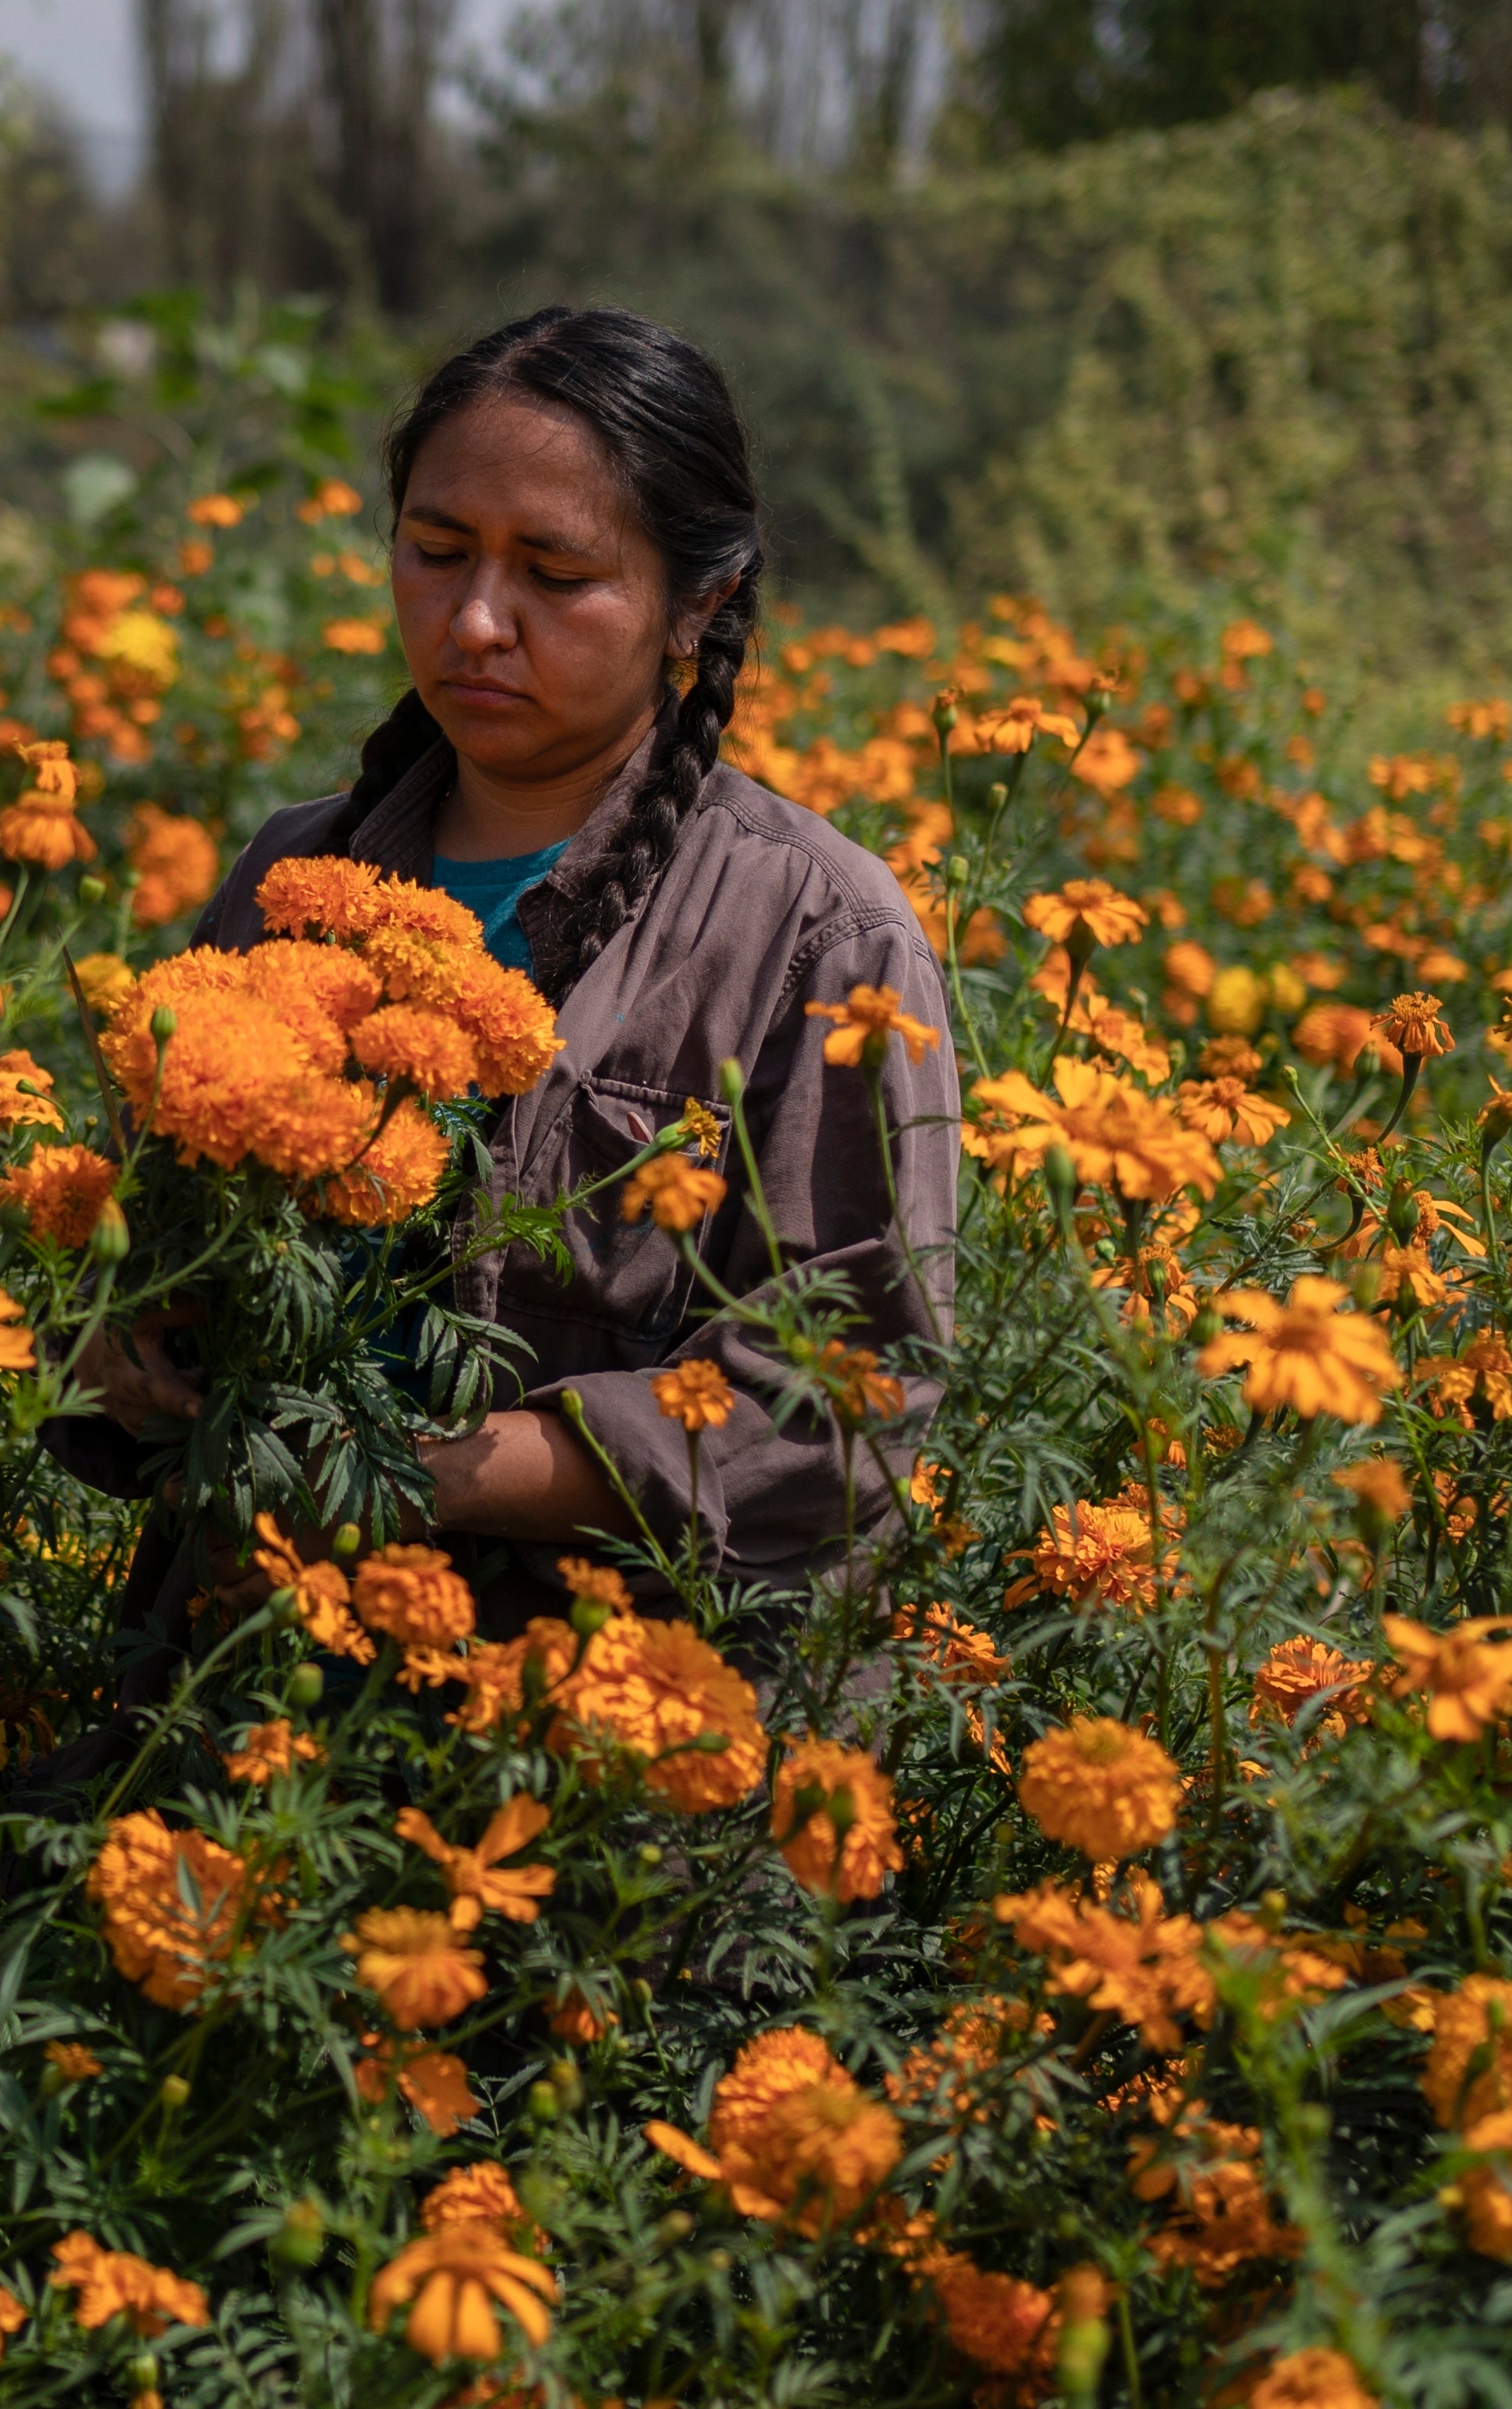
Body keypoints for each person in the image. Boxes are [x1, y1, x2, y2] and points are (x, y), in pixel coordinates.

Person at [60, 303, 963, 1661]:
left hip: (581, 1739)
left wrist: (399, 1478)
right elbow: (143, 1238)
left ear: (700, 602)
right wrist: (119, 1330)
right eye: (435, 553)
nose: (476, 620)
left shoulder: (818, 937)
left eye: (555, 573)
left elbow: (841, 1413)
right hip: (224, 1681)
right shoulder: (294, 869)